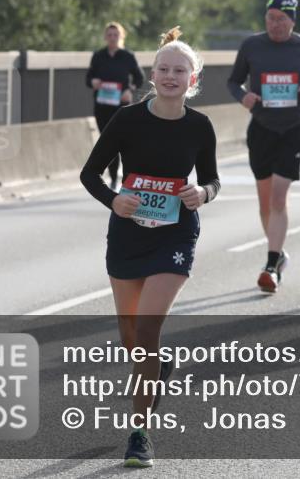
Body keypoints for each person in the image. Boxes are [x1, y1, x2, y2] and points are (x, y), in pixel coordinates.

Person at [80, 27, 220, 468]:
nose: (171, 76)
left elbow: (213, 178)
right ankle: (159, 368)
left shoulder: (201, 126)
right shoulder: (127, 119)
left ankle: (139, 433)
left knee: (145, 332)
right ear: (152, 75)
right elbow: (90, 174)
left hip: (176, 233)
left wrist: (205, 194)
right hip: (128, 232)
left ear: (193, 78)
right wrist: (114, 199)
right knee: (131, 339)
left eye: (180, 70)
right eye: (163, 69)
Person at [227, 0, 300, 293]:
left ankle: (271, 264)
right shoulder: (251, 45)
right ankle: (279, 252)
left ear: (292, 21)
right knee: (264, 201)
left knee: (278, 198)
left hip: (292, 128)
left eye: (281, 20)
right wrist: (243, 96)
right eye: (270, 19)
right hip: (260, 127)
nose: (275, 25)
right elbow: (233, 81)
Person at [86, 22, 145, 191]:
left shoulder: (128, 56)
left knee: (122, 142)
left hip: (121, 107)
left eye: (115, 35)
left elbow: (140, 78)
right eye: (109, 35)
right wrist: (93, 82)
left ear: (121, 37)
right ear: (105, 37)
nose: (112, 38)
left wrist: (130, 90)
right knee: (107, 142)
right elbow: (88, 78)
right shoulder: (98, 56)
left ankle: (127, 177)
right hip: (102, 105)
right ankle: (112, 179)